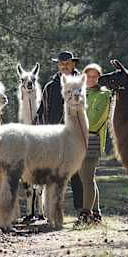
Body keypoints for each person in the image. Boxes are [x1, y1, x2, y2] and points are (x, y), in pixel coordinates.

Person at [37, 50, 84, 214]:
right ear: (57, 65)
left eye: (67, 63)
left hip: (76, 138)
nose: (64, 66)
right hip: (53, 139)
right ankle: (51, 211)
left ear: (74, 64)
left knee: (79, 175)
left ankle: (82, 212)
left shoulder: (81, 85)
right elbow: (41, 113)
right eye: (61, 63)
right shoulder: (50, 88)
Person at [76, 63, 111, 224]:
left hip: (93, 139)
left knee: (87, 178)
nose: (91, 79)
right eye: (88, 76)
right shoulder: (80, 93)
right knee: (86, 177)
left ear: (99, 77)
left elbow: (96, 121)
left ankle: (85, 214)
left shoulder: (104, 95)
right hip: (77, 139)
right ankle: (96, 214)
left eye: (94, 76)